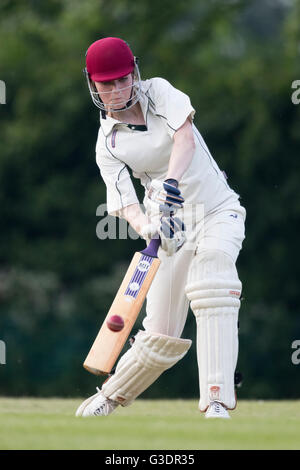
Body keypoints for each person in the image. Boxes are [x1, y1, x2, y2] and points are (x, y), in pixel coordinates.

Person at [76, 37, 246, 419]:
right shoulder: (108, 143)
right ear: (94, 86)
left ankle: (216, 399)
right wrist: (147, 223)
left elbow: (183, 138)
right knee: (161, 336)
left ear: (134, 72)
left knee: (213, 282)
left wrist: (170, 182)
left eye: (123, 79)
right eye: (108, 84)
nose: (118, 90)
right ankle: (111, 395)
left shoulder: (160, 92)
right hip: (170, 228)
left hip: (218, 210)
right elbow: (123, 203)